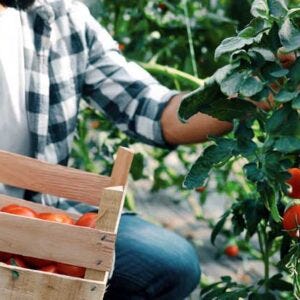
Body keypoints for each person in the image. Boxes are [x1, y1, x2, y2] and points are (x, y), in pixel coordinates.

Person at [0, 0, 296, 299]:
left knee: (171, 262)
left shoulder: (60, 17)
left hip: (45, 212)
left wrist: (247, 91)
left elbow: (151, 109)